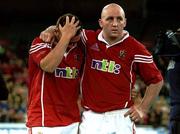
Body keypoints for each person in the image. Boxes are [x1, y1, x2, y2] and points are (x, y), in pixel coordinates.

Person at [40, 3, 163, 134]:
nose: (115, 23)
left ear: (125, 22)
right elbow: (66, 29)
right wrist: (50, 29)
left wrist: (142, 108)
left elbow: (156, 81)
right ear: (101, 22)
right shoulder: (87, 39)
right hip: (91, 118)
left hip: (121, 117)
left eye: (119, 19)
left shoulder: (137, 49)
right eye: (110, 19)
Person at [27, 13, 84, 134]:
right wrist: (65, 37)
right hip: (44, 120)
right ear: (57, 32)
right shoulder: (40, 42)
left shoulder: (79, 49)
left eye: (74, 41)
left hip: (72, 120)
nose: (72, 44)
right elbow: (48, 66)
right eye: (70, 41)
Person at [154, 28, 180, 134]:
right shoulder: (174, 58)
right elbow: (159, 56)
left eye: (178, 33)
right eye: (176, 33)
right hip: (175, 111)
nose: (176, 35)